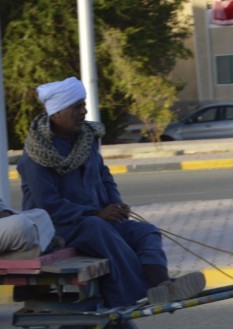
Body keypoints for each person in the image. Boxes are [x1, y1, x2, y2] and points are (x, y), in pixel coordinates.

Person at [17, 76, 205, 307]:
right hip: (60, 229)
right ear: (57, 113)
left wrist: (116, 205)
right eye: (77, 106)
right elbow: (48, 205)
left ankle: (162, 284)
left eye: (84, 105)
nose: (84, 111)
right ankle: (143, 290)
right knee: (96, 229)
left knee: (145, 231)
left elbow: (105, 177)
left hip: (97, 220)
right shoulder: (36, 155)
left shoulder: (87, 141)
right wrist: (96, 214)